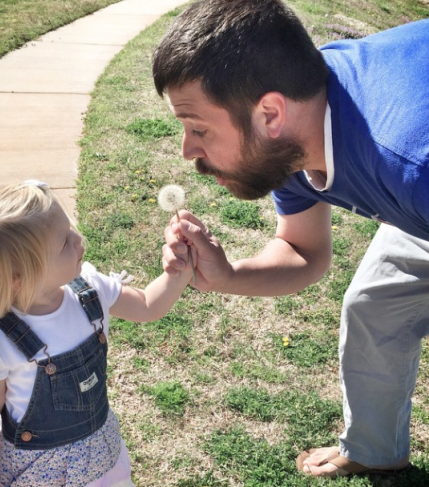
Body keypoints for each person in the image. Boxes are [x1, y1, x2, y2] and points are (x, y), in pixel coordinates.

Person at [152, 0, 429, 479]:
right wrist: (226, 274)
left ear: (270, 114)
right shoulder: (293, 131)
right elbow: (304, 251)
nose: (187, 151)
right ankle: (374, 449)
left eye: (198, 128)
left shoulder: (410, 158)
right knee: (375, 305)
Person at [0, 181, 193, 487]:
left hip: (101, 461)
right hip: (36, 473)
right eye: (65, 241)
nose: (80, 240)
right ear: (19, 278)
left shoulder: (91, 291)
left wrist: (177, 273)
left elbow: (146, 305)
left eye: (70, 230)